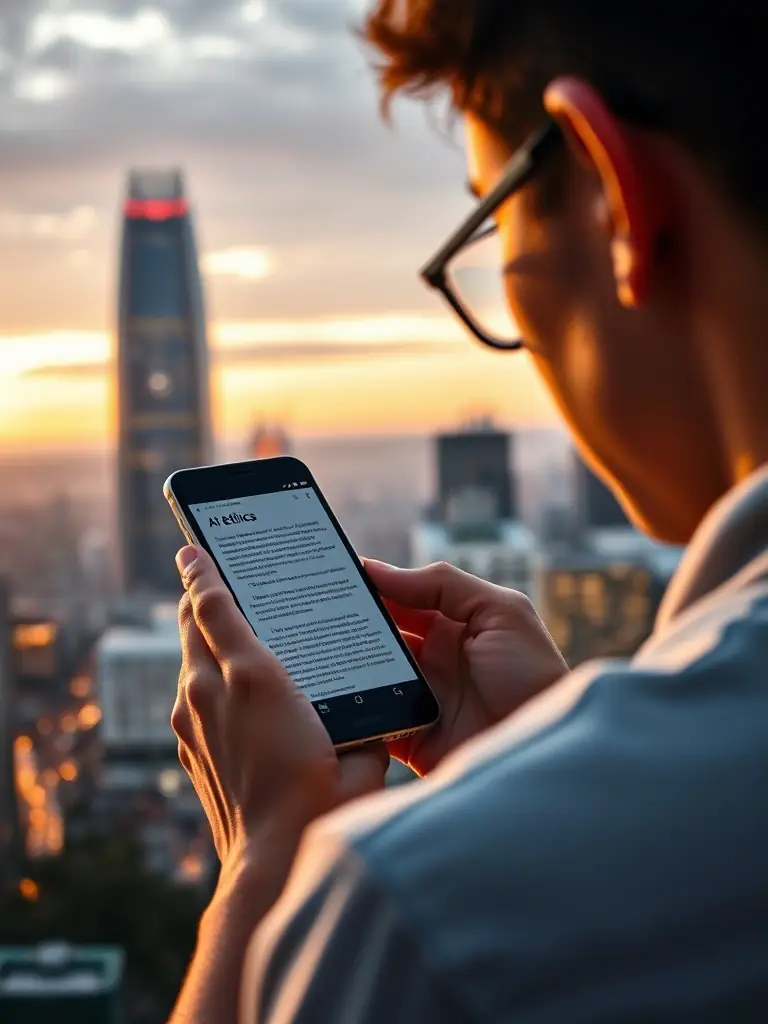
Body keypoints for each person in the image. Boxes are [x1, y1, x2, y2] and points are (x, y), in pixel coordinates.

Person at [169, 2, 768, 1020]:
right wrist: (544, 753)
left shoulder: (428, 921)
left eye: (492, 222)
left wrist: (264, 871)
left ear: (616, 197)